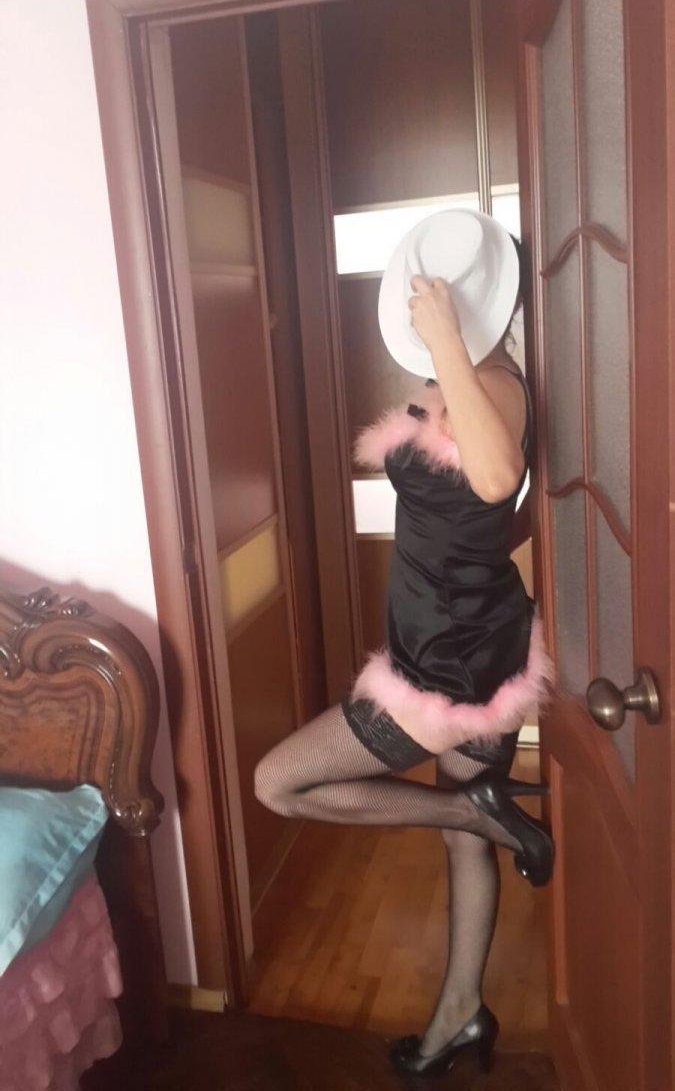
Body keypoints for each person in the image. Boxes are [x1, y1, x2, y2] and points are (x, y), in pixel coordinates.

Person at [254, 213, 554, 1080]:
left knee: (278, 782)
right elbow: (500, 507)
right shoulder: (467, 378)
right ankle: (460, 1014)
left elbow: (496, 479)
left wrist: (448, 344)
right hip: (463, 633)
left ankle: (474, 810)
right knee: (465, 846)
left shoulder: (490, 382)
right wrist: (478, 552)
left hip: (451, 661)